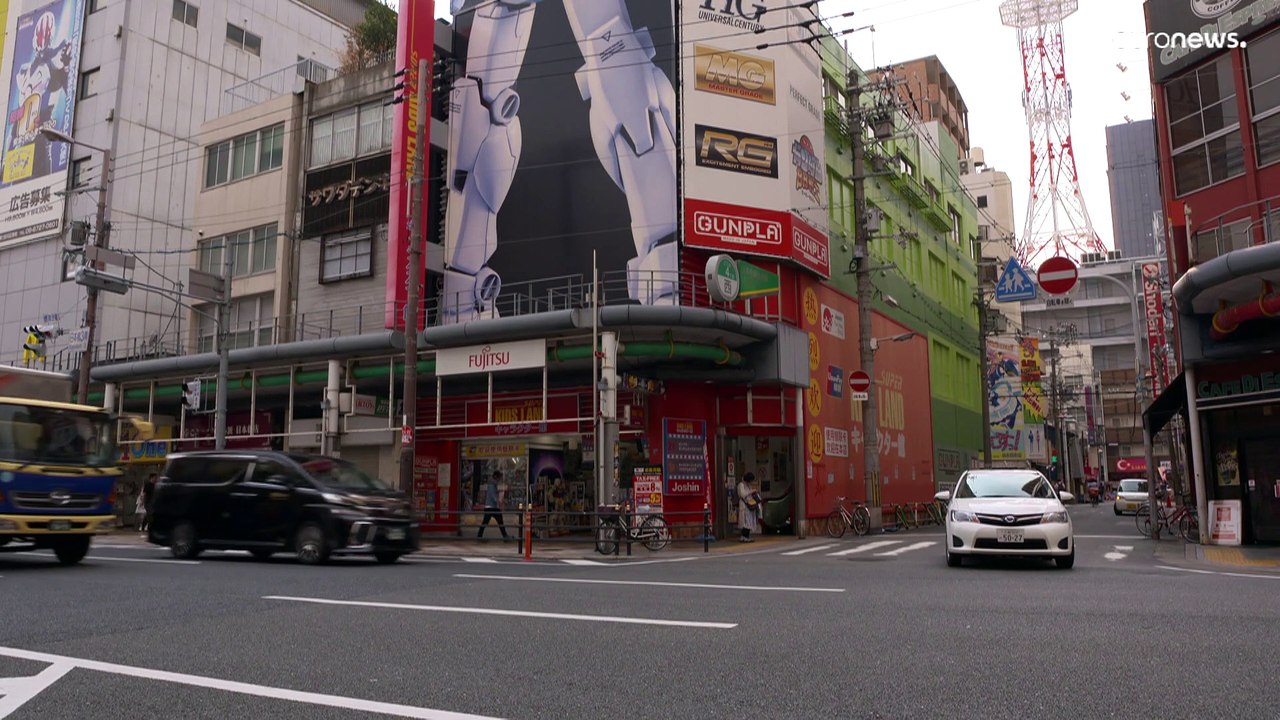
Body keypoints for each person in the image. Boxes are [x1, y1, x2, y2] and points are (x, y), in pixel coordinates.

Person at [477, 470, 509, 541]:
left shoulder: (492, 484)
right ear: (496, 477)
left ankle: (479, 536)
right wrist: (499, 501)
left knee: (486, 522)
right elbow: (493, 496)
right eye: (499, 477)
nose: (499, 479)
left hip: (490, 507)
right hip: (491, 507)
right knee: (498, 521)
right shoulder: (492, 484)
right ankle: (505, 536)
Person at [736, 472, 760, 543]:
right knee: (745, 522)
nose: (751, 482)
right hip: (744, 505)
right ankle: (743, 537)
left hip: (749, 504)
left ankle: (746, 536)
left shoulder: (748, 485)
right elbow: (742, 494)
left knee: (749, 521)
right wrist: (751, 491)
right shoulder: (741, 485)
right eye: (751, 480)